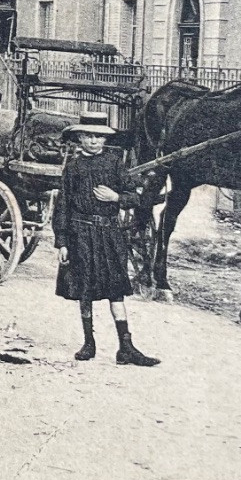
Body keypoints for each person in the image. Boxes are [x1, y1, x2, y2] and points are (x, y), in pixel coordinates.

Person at [53, 110, 159, 367]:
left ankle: (126, 347)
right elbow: (63, 205)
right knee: (85, 288)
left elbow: (136, 197)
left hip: (109, 235)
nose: (93, 141)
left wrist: (116, 198)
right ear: (79, 138)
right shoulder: (73, 167)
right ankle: (89, 343)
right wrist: (63, 242)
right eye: (88, 136)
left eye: (98, 137)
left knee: (116, 291)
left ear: (105, 139)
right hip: (80, 234)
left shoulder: (114, 163)